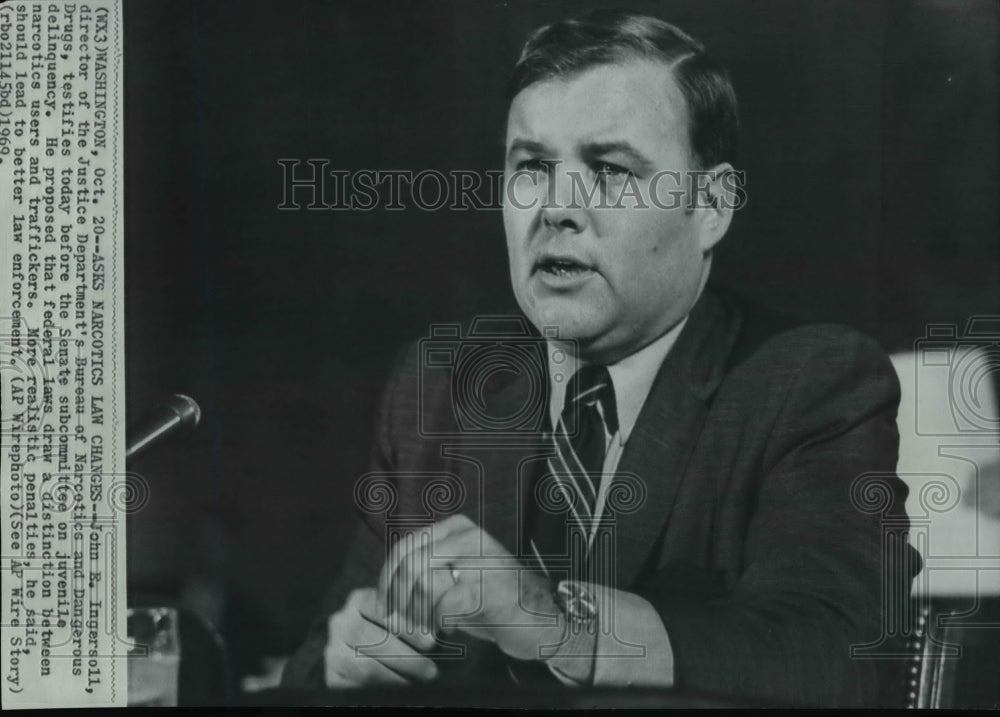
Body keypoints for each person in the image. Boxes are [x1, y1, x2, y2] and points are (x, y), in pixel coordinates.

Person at [282, 10, 920, 706]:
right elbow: (318, 662)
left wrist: (558, 625)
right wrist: (342, 667)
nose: (558, 207)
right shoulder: (441, 383)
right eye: (532, 166)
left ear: (711, 204)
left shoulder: (809, 382)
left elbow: (843, 656)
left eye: (609, 169)